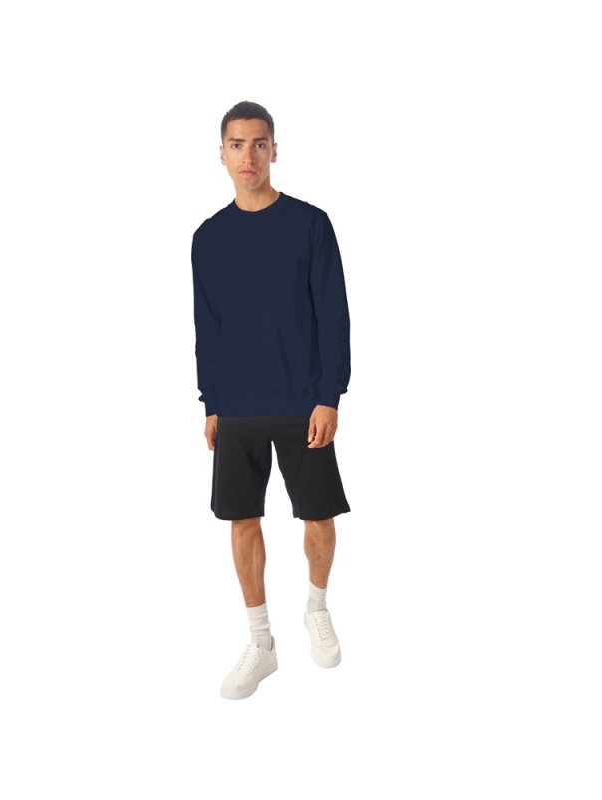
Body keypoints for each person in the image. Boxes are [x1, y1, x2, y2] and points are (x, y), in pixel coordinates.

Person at [191, 101, 352, 700]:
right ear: (222, 154)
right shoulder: (208, 238)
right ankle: (261, 642)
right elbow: (208, 326)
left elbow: (334, 316)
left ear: (275, 150)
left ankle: (316, 605)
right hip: (237, 404)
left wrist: (329, 395)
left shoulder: (310, 225)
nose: (248, 155)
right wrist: (211, 402)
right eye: (237, 145)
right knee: (242, 522)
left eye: (259, 144)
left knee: (318, 518)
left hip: (302, 399)